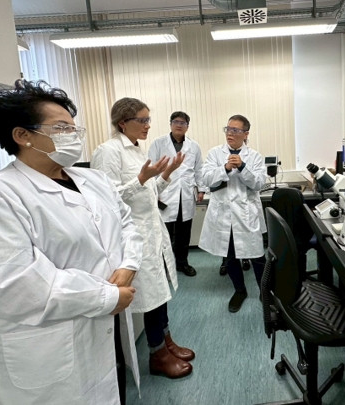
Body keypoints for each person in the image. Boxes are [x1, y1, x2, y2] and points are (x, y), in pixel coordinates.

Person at [0, 80, 142, 405]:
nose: (74, 136)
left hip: (105, 328)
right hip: (49, 350)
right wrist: (106, 296)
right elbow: (12, 283)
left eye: (74, 128)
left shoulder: (93, 180)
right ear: (22, 135)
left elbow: (126, 224)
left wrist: (128, 264)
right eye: (62, 128)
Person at [91, 98, 195, 379]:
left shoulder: (138, 151)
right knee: (150, 297)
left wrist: (166, 174)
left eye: (149, 119)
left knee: (160, 292)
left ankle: (167, 341)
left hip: (152, 232)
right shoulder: (108, 152)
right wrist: (140, 179)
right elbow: (105, 201)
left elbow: (150, 192)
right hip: (133, 237)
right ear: (122, 122)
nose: (148, 125)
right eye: (142, 120)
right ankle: (157, 354)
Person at [199, 114, 267, 313]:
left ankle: (265, 292)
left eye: (235, 130)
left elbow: (259, 183)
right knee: (230, 256)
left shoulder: (254, 156)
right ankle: (240, 291)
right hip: (223, 215)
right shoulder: (215, 153)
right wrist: (226, 168)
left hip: (247, 214)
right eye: (228, 129)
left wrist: (243, 167)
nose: (230, 133)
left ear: (246, 134)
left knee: (257, 256)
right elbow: (207, 179)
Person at [148, 111, 207, 277]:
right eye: (176, 122)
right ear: (170, 124)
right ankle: (164, 267)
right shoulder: (158, 143)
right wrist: (154, 190)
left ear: (187, 126)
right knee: (164, 234)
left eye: (183, 123)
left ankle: (182, 263)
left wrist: (201, 189)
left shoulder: (194, 146)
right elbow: (151, 168)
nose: (179, 125)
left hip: (185, 195)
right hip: (164, 193)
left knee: (183, 234)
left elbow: (199, 169)